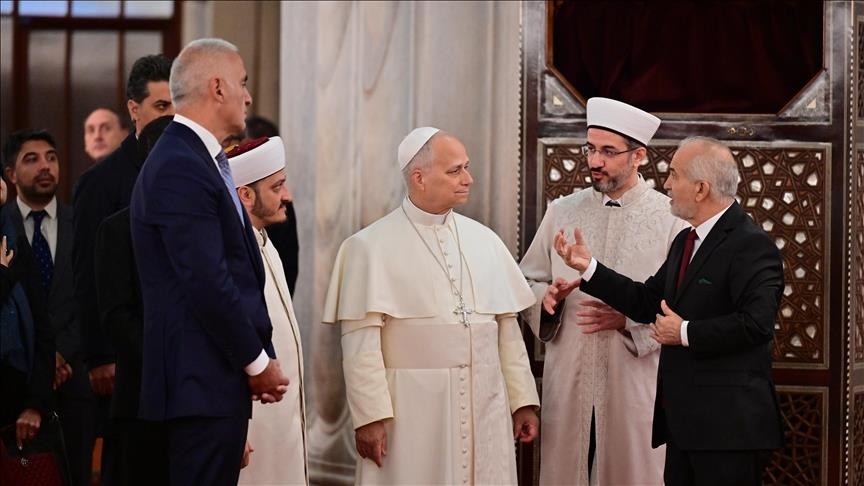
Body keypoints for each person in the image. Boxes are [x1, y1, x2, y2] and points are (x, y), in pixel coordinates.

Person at [553, 136, 785, 485]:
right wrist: (589, 268)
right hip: (683, 425)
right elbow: (648, 301)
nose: (667, 184)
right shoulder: (686, 240)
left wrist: (685, 332)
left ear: (701, 188)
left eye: (674, 175)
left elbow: (757, 324)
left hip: (728, 431)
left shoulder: (751, 244)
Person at [322, 127, 540, 485]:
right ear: (419, 177)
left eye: (466, 167)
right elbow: (361, 347)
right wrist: (370, 418)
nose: (468, 179)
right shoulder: (368, 247)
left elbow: (506, 332)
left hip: (486, 400)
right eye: (455, 170)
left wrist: (523, 401)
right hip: (413, 412)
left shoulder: (485, 241)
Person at [130, 38, 288, 486]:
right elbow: (206, 279)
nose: (248, 96)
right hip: (198, 387)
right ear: (217, 88)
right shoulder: (181, 162)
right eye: (242, 83)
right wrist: (257, 363)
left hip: (209, 383)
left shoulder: (197, 157)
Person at [520, 97, 687, 485]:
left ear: (639, 156)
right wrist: (545, 302)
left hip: (634, 384)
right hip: (570, 378)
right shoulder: (562, 210)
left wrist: (629, 320)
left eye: (609, 152)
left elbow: (681, 309)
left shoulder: (670, 221)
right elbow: (526, 280)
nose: (595, 161)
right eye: (591, 149)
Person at [73, 53, 174, 485]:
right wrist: (99, 356)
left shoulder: (195, 172)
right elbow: (85, 275)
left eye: (177, 105)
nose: (172, 116)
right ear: (134, 111)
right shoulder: (101, 182)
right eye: (161, 106)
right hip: (125, 360)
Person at [2, 128, 93, 486]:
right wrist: (42, 357)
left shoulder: (82, 223)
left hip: (76, 377)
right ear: (10, 174)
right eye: (32, 158)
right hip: (17, 385)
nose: (45, 166)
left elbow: (94, 296)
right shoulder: (1, 225)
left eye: (51, 158)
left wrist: (61, 354)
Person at [93, 115, 174, 486]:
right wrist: (172, 354)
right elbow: (115, 316)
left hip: (199, 400)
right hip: (142, 397)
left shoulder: (205, 225)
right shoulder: (116, 229)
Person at [228, 136, 308, 485]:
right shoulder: (229, 251)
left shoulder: (264, 241)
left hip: (281, 421)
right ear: (245, 195)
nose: (287, 195)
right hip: (251, 425)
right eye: (277, 186)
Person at [0, 150, 55, 458]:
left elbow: (43, 327)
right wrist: (3, 276)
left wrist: (35, 403)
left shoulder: (15, 242)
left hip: (18, 402)